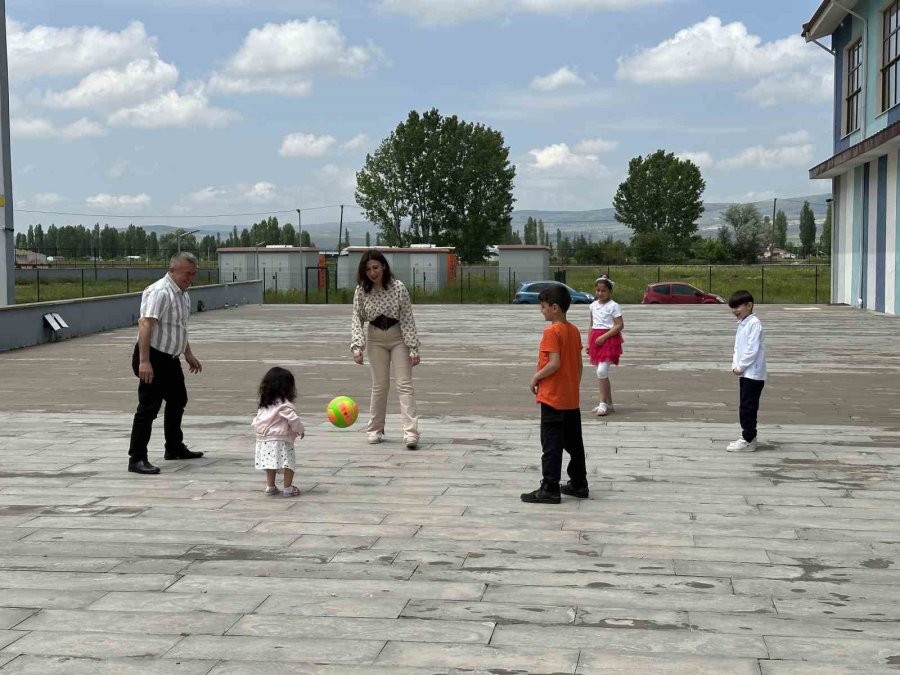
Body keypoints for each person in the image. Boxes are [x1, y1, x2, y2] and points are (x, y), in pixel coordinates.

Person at [127, 252, 204, 474]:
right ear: (173, 271)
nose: (191, 278)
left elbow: (178, 327)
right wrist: (144, 361)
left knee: (178, 399)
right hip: (153, 357)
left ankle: (174, 447)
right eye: (187, 274)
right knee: (148, 407)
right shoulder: (161, 291)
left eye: (194, 274)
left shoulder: (183, 294)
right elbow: (145, 325)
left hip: (171, 358)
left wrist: (187, 353)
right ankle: (137, 458)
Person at [521, 284, 588, 504]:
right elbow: (578, 366)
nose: (541, 311)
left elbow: (554, 363)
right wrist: (572, 387)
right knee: (574, 444)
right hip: (570, 399)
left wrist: (536, 377)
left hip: (552, 398)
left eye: (543, 307)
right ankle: (579, 483)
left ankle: (550, 487)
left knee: (551, 444)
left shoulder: (552, 331)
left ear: (555, 308)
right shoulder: (574, 330)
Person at [350, 250, 421, 449]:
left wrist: (413, 348)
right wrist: (357, 346)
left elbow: (407, 318)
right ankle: (375, 429)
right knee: (379, 386)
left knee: (404, 385)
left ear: (383, 267)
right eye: (368, 269)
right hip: (375, 339)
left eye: (375, 267)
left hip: (398, 337)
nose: (373, 273)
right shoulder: (361, 290)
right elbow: (357, 318)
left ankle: (410, 433)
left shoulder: (398, 288)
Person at [251, 367, 305, 497]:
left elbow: (257, 420)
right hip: (280, 439)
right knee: (288, 463)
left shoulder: (264, 405)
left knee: (270, 464)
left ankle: (270, 486)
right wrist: (300, 430)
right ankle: (288, 488)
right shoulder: (284, 406)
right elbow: (293, 419)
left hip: (263, 440)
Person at [727, 289, 767, 452]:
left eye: (738, 306)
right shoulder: (743, 324)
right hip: (745, 372)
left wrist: (741, 366)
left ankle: (749, 439)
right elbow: (738, 347)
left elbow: (752, 349)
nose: (735, 311)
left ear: (749, 305)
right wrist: (735, 365)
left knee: (748, 406)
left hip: (753, 373)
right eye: (733, 307)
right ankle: (748, 436)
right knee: (745, 405)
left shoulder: (754, 323)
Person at [586, 275, 624, 416]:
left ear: (610, 291)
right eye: (598, 290)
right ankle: (609, 403)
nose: (600, 293)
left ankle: (602, 403)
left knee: (601, 371)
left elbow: (619, 325)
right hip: (596, 339)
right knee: (602, 373)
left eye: (603, 291)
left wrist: (604, 336)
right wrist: (588, 342)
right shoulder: (593, 306)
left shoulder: (613, 306)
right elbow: (591, 325)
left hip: (608, 339)